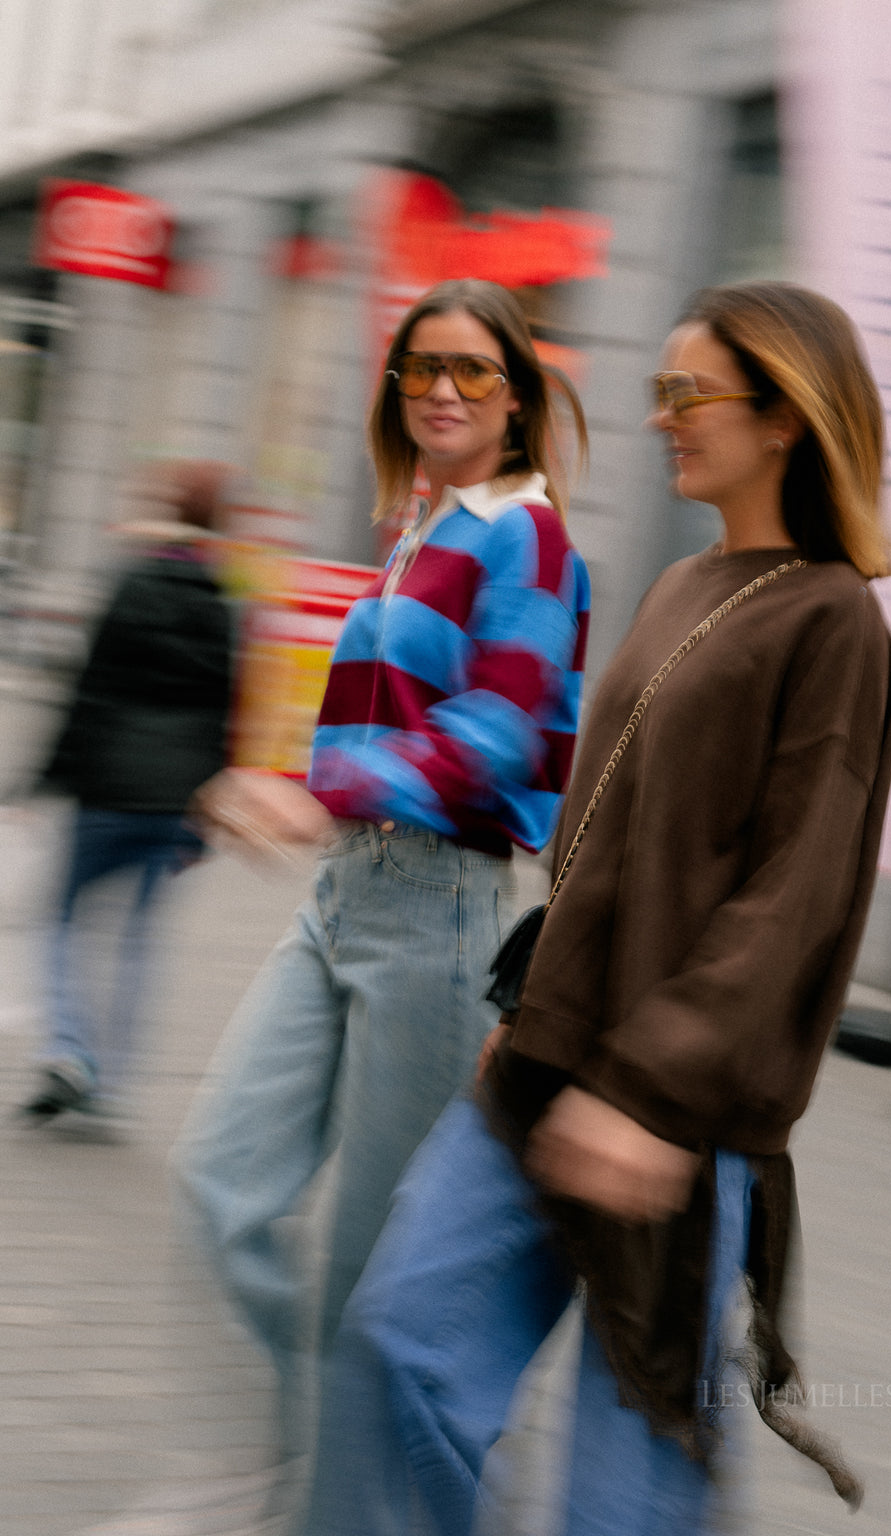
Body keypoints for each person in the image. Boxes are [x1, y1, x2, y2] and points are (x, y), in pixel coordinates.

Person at [307, 281, 891, 1536]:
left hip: (668, 1112)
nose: (660, 419)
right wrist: (534, 1003)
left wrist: (654, 1092)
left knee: (621, 1490)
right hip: (545, 1059)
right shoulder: (688, 579)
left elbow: (791, 902)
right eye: (659, 393)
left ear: (786, 414)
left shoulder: (833, 620)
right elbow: (605, 841)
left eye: (687, 394)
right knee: (395, 1345)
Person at [173, 279, 591, 1495]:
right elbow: (386, 716)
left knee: (375, 1276)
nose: (442, 392)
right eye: (420, 370)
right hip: (340, 899)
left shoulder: (529, 534)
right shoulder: (424, 525)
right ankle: (335, 1480)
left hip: (438, 913)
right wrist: (285, 780)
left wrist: (329, 790)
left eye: (470, 371)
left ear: (515, 397)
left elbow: (506, 732)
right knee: (220, 1186)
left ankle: (372, 1505)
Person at [20, 460, 235, 1123]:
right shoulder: (221, 606)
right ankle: (110, 1086)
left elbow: (89, 691)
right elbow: (226, 716)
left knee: (60, 920)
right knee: (139, 936)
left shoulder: (130, 584)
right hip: (171, 801)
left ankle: (70, 1048)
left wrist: (45, 778)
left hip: (107, 789)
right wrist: (204, 819)